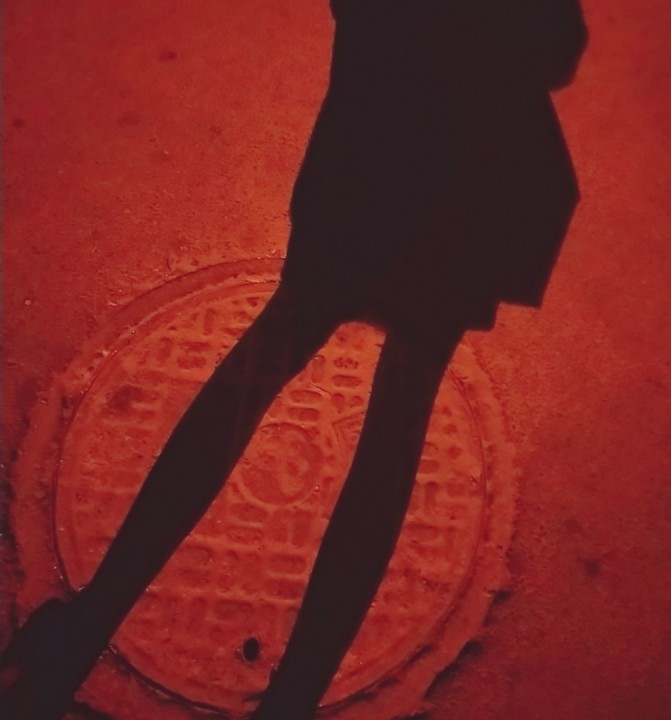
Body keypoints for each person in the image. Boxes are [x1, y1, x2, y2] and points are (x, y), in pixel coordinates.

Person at [0, 2, 587, 719]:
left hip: (371, 143)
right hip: (465, 187)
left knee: (260, 367)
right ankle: (293, 698)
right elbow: (556, 45)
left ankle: (87, 629)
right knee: (396, 425)